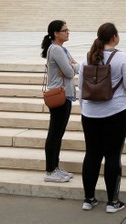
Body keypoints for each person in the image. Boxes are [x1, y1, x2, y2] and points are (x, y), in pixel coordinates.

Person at [78, 22, 126, 213]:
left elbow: (81, 88)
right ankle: (113, 202)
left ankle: (89, 199)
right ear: (114, 37)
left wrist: (84, 110)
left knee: (92, 154)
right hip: (116, 112)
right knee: (113, 155)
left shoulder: (86, 58)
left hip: (89, 114)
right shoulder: (122, 58)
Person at [40, 20, 77, 183]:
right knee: (55, 132)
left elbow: (75, 67)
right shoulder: (56, 49)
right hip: (59, 94)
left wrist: (71, 66)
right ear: (56, 33)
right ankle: (50, 170)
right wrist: (71, 66)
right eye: (65, 30)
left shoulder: (62, 49)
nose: (68, 32)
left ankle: (55, 167)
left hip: (65, 93)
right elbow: (70, 72)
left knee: (59, 132)